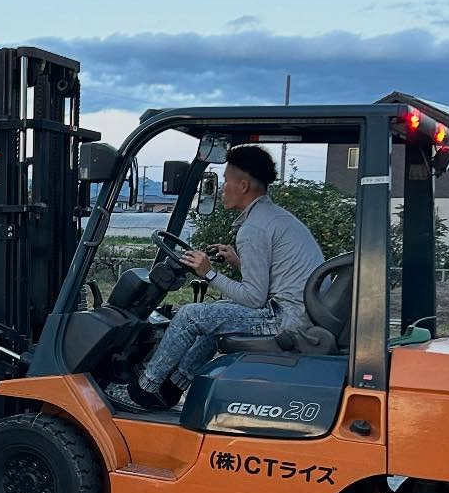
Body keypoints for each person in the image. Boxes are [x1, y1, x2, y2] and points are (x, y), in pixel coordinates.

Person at [134, 146, 324, 410]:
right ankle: (174, 386)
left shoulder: (254, 229)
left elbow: (254, 298)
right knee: (215, 314)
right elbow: (272, 278)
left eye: (225, 180)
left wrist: (208, 273)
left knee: (191, 315)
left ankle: (145, 387)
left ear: (243, 185)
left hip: (285, 320)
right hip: (298, 313)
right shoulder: (274, 218)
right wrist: (238, 263)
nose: (222, 187)